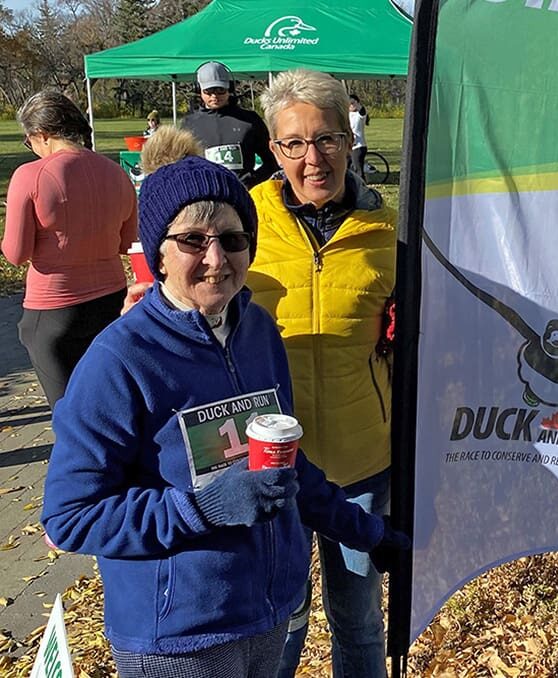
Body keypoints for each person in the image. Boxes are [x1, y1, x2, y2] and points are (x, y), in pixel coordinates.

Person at [40, 155, 408, 678]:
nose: (216, 259)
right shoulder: (119, 359)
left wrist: (365, 531)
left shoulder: (259, 332)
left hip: (266, 616)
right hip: (177, 641)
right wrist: (202, 509)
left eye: (233, 240)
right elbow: (70, 516)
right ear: (160, 255)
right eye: (193, 240)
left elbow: (282, 464)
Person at [252, 70, 397, 678]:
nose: (313, 159)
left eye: (328, 139)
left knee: (358, 621)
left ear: (350, 137)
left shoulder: (390, 230)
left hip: (359, 461)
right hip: (268, 464)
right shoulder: (243, 220)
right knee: (279, 618)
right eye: (294, 143)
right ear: (273, 147)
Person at [2, 90, 137, 407]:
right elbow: (126, 243)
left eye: (29, 141)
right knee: (109, 405)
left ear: (42, 135)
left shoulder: (30, 175)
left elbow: (16, 253)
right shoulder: (117, 173)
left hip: (54, 310)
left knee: (71, 417)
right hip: (111, 301)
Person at [182, 61, 278, 188]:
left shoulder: (250, 120)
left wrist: (251, 182)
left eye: (220, 90)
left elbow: (272, 161)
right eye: (208, 91)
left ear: (230, 88)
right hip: (207, 196)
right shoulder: (189, 124)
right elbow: (182, 167)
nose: (214, 96)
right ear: (198, 90)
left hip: (245, 195)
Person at [349, 93, 369, 182]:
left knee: (358, 170)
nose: (350, 105)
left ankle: (362, 187)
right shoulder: (347, 114)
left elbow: (363, 112)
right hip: (349, 146)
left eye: (352, 103)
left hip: (358, 146)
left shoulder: (359, 115)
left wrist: (356, 103)